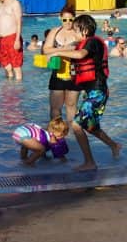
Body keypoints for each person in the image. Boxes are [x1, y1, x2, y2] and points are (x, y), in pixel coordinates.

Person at [45, 14, 121, 171]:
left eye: (77, 30)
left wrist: (58, 52)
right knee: (90, 126)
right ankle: (114, 145)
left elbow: (80, 55)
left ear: (85, 30)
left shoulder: (92, 42)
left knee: (77, 124)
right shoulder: (87, 43)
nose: (75, 33)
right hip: (94, 92)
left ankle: (90, 162)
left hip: (97, 92)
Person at [44, 6, 81, 124]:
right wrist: (66, 49)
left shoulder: (78, 33)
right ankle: (57, 134)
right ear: (60, 18)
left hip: (74, 72)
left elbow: (82, 51)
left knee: (71, 106)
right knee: (55, 107)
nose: (68, 23)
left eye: (71, 19)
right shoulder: (55, 31)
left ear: (74, 19)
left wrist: (58, 51)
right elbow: (45, 50)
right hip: (58, 71)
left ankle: (72, 134)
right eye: (65, 20)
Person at [0, 0, 23, 80]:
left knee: (16, 66)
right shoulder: (1, 5)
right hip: (2, 39)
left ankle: (18, 88)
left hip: (12, 37)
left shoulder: (14, 3)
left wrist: (17, 39)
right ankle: (9, 87)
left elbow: (19, 22)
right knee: (6, 66)